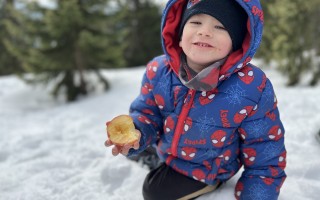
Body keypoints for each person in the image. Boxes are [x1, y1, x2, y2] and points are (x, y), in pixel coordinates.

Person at [105, 0, 287, 199]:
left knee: (154, 190)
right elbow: (147, 113)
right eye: (196, 22)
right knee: (138, 147)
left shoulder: (251, 87)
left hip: (206, 166)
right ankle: (155, 158)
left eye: (220, 26)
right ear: (179, 35)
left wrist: (256, 195)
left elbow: (265, 150)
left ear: (235, 44)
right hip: (169, 146)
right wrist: (137, 132)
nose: (205, 32)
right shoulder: (158, 71)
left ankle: (209, 182)